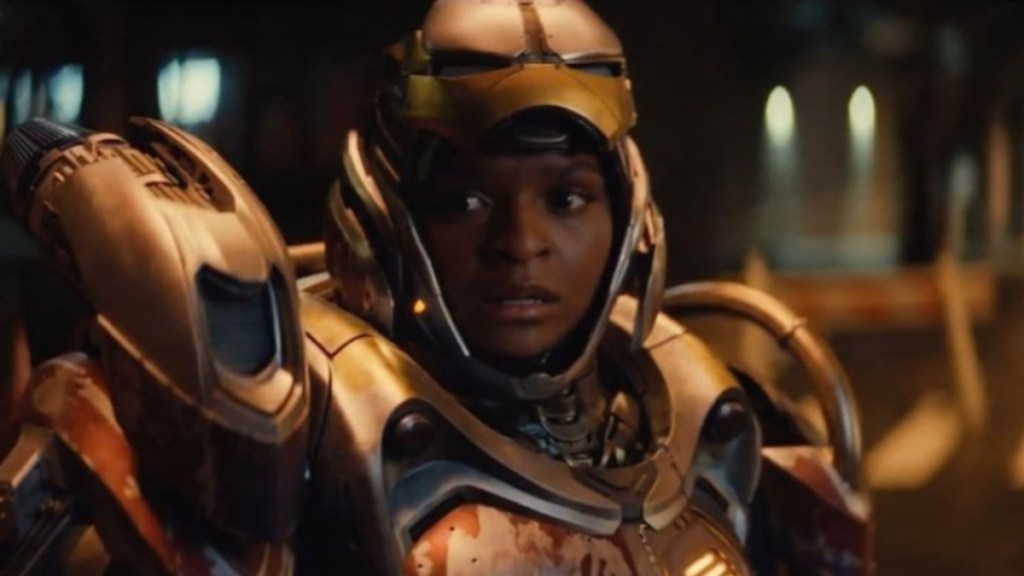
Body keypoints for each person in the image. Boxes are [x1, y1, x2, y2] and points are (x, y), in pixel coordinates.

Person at [0, 1, 871, 574]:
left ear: (627, 218)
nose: (520, 245)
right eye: (463, 200)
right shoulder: (303, 421)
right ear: (387, 215)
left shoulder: (707, 416)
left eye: (567, 198)